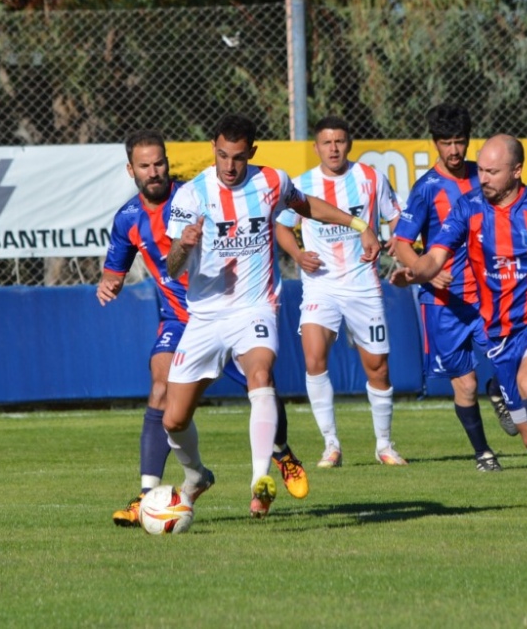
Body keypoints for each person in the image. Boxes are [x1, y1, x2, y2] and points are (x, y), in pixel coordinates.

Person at [163, 114, 381, 519]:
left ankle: (260, 480)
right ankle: (195, 477)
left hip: (255, 306)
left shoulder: (272, 182)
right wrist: (184, 246)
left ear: (252, 153)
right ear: (213, 148)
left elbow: (307, 206)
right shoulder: (191, 196)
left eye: (239, 157)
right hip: (206, 316)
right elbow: (173, 268)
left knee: (260, 375)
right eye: (223, 156)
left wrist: (358, 223)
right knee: (174, 420)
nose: (230, 166)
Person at [97, 129, 309, 528]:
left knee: (261, 385)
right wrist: (110, 283)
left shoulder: (193, 195)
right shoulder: (128, 219)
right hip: (183, 318)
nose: (154, 171)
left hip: (230, 308)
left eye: (159, 163)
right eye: (145, 166)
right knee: (161, 387)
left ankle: (281, 454)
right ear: (131, 170)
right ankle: (149, 494)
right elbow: (114, 271)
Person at [391, 134, 527, 519]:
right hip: (500, 332)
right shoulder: (468, 208)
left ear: (517, 171)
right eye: (480, 169)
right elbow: (435, 256)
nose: (482, 177)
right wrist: (414, 275)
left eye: (493, 171)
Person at [275, 115, 407, 468]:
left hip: (363, 284)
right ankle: (330, 445)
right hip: (321, 285)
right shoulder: (302, 185)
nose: (333, 148)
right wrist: (298, 254)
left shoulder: (370, 179)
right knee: (315, 359)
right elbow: (282, 227)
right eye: (326, 143)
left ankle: (384, 445)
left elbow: (395, 216)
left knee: (377, 367)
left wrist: (395, 237)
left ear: (348, 144)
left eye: (340, 141)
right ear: (316, 147)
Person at [391, 103, 512, 472]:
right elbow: (401, 244)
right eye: (446, 143)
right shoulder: (426, 188)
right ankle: (483, 453)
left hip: (491, 294)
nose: (455, 151)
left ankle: (500, 390)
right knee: (465, 384)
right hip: (444, 302)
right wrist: (424, 270)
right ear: (435, 144)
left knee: (513, 363)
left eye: (460, 142)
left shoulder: (487, 177)